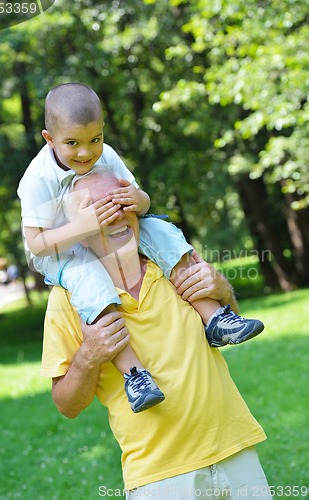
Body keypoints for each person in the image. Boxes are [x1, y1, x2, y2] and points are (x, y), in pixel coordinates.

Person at [18, 82, 264, 413]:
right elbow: (36, 244)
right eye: (72, 143)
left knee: (161, 230)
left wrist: (138, 199)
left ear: (102, 130)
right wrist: (84, 226)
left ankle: (215, 318)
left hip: (105, 224)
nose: (86, 152)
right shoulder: (37, 179)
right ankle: (135, 375)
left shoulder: (106, 155)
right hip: (61, 249)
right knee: (90, 283)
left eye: (95, 139)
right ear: (49, 139)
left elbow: (142, 201)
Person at [41, 170, 272, 499]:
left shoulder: (175, 261)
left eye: (122, 202)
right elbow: (66, 404)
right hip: (159, 477)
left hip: (235, 448)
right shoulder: (67, 299)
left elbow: (222, 329)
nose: (118, 214)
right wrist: (88, 357)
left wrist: (223, 290)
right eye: (100, 210)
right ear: (78, 233)